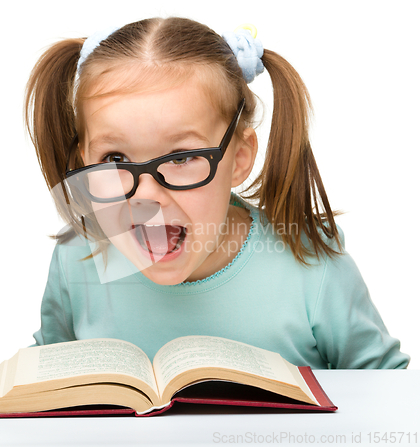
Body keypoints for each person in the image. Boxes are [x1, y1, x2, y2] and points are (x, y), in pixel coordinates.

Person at [24, 17, 409, 369]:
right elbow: (45, 381)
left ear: (239, 157)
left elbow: (386, 386)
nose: (146, 195)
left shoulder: (309, 261)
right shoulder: (77, 259)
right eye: (115, 158)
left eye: (182, 157)